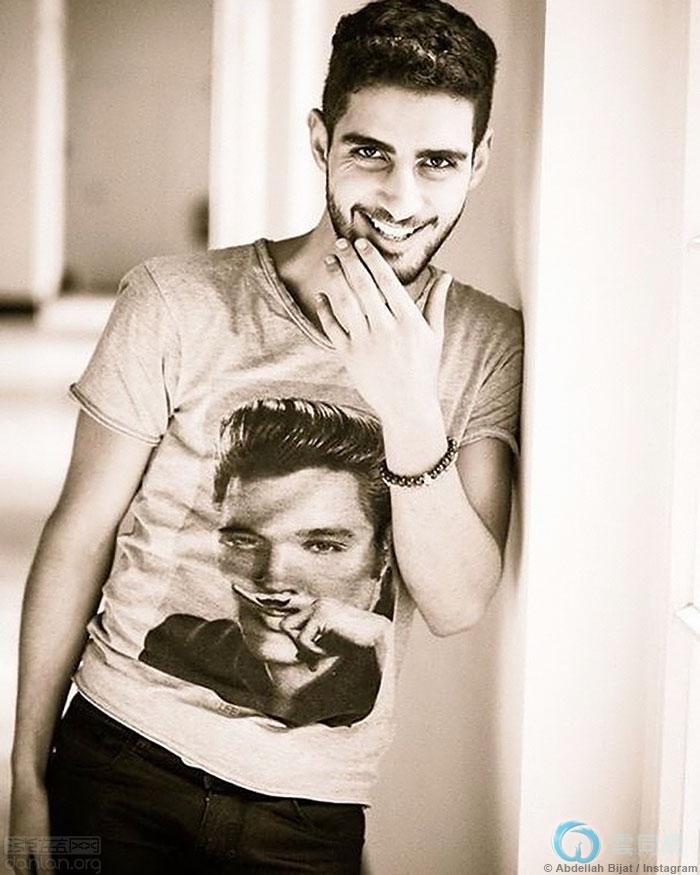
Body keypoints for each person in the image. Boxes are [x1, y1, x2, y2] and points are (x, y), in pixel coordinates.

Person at [9, 1, 523, 873]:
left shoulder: (484, 344)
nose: (401, 198)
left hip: (310, 813)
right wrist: (24, 770)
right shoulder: (174, 299)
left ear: (477, 163)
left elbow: (457, 602)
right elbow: (78, 534)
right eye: (371, 152)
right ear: (321, 141)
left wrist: (407, 403)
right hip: (117, 760)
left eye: (436, 162)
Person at [140, 397, 395, 728]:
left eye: (321, 546)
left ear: (383, 554)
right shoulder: (178, 646)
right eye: (244, 541)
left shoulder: (391, 671)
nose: (274, 578)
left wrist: (386, 647)